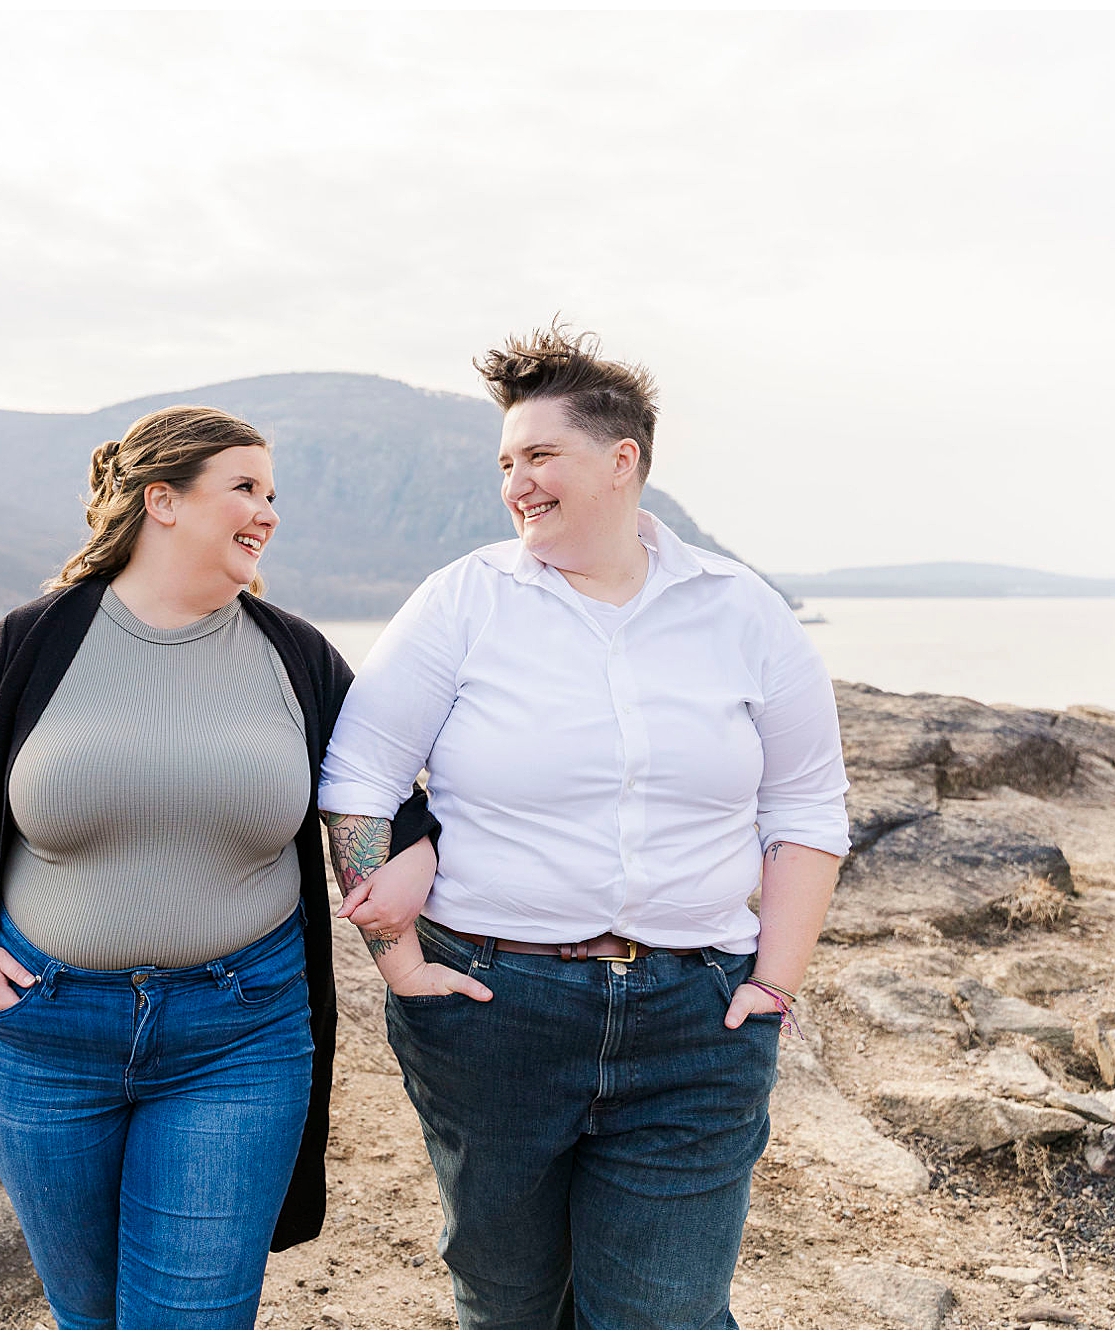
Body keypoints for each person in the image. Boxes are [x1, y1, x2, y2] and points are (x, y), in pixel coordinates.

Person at [318, 325, 850, 1329]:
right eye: (506, 462)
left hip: (694, 1015)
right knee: (511, 1301)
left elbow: (806, 805)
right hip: (492, 1006)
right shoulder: (461, 602)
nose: (517, 482)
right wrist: (394, 955)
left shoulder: (741, 611)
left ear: (622, 461)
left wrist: (773, 980)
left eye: (539, 456)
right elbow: (359, 774)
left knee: (665, 1311)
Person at [0, 405, 444, 1329]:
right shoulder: (29, 645)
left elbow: (379, 794)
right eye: (245, 488)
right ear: (162, 500)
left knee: (192, 1318)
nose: (267, 512)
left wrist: (412, 858)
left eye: (272, 494)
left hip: (238, 1040)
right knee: (90, 1315)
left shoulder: (295, 654)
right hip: (42, 1038)